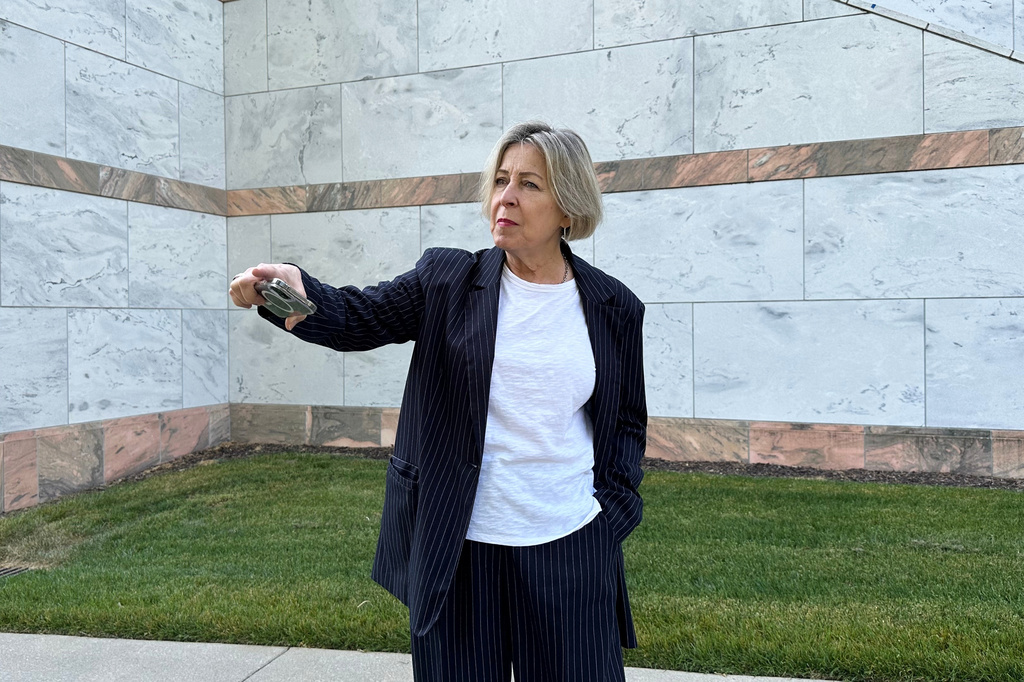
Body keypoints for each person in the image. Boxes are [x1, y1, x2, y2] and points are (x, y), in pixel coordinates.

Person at [229, 121, 647, 682]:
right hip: (460, 546)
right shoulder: (448, 279)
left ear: (568, 206)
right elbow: (361, 315)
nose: (506, 197)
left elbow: (624, 424)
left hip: (571, 543)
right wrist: (295, 292)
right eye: (501, 179)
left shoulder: (613, 306)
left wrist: (609, 517)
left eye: (529, 184)